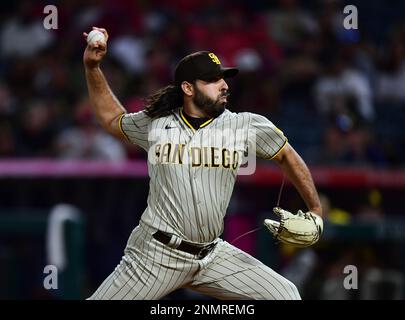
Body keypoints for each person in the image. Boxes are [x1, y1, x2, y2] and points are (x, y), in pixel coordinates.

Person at [83, 27, 323, 300]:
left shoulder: (244, 125)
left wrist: (315, 211)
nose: (224, 85)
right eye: (212, 80)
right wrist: (92, 67)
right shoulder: (158, 124)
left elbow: (286, 155)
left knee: (285, 295)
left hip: (212, 255)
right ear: (187, 88)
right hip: (155, 254)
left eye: (223, 78)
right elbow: (113, 119)